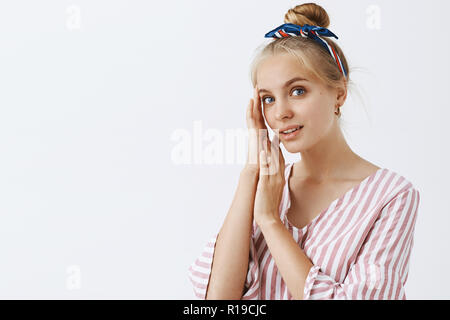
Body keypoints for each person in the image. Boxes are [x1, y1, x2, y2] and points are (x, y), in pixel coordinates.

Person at [188, 2, 420, 300]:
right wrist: (250, 174)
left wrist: (271, 221)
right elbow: (217, 302)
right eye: (268, 99)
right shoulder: (265, 185)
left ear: (339, 92)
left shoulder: (392, 196)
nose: (280, 112)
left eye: (298, 91)